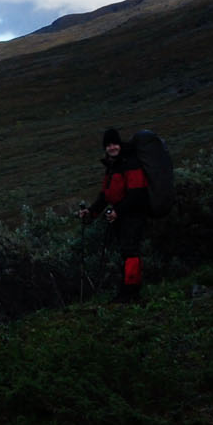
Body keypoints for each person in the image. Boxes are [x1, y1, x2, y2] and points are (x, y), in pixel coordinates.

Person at [78, 127, 151, 303]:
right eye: (108, 145)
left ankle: (131, 293)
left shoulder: (130, 163)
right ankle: (126, 292)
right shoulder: (112, 167)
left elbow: (137, 193)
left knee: (130, 251)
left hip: (133, 215)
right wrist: (91, 212)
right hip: (122, 216)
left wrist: (118, 211)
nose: (112, 147)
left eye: (114, 144)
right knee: (126, 252)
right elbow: (106, 195)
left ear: (120, 144)